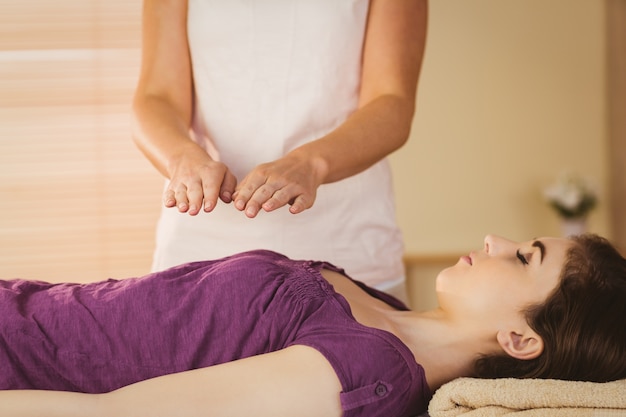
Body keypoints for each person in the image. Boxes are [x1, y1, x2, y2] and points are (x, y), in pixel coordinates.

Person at [0, 234, 625, 417]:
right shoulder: (385, 307)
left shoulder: (371, 373)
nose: (495, 238)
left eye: (524, 257)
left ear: (520, 339)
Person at [131, 0, 429, 300]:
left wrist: (310, 163)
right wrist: (181, 158)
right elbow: (157, 96)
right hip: (199, 253)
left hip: (348, 252)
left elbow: (392, 102)